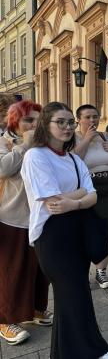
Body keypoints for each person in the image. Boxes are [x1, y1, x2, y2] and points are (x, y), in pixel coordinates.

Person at [20, 102, 108, 359]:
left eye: (69, 122)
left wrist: (74, 201)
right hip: (51, 236)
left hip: (76, 231)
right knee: (72, 293)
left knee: (74, 295)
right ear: (46, 125)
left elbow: (93, 196)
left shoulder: (74, 159)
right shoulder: (36, 156)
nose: (66, 127)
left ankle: (67, 352)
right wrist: (81, 195)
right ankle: (93, 350)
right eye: (60, 122)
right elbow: (51, 200)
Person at [0, 100, 52, 345]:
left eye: (37, 120)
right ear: (15, 122)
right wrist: (24, 146)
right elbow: (2, 169)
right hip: (11, 218)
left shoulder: (45, 144)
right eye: (28, 120)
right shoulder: (4, 142)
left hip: (40, 216)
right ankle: (5, 320)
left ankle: (36, 309)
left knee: (40, 269)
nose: (34, 124)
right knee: (12, 270)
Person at [74, 104, 108, 289]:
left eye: (95, 116)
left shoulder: (105, 136)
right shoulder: (73, 137)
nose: (92, 120)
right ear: (78, 119)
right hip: (86, 190)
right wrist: (86, 140)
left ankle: (101, 272)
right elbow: (74, 159)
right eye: (87, 117)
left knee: (105, 231)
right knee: (85, 231)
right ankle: (82, 272)